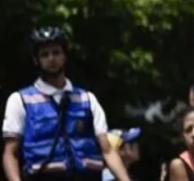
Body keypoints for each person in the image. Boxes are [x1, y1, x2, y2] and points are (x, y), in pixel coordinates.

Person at [2, 27, 132, 181]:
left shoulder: (87, 99)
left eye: (56, 52)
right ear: (36, 60)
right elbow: (10, 153)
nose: (51, 58)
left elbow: (107, 150)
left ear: (65, 56)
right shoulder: (20, 100)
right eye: (44, 54)